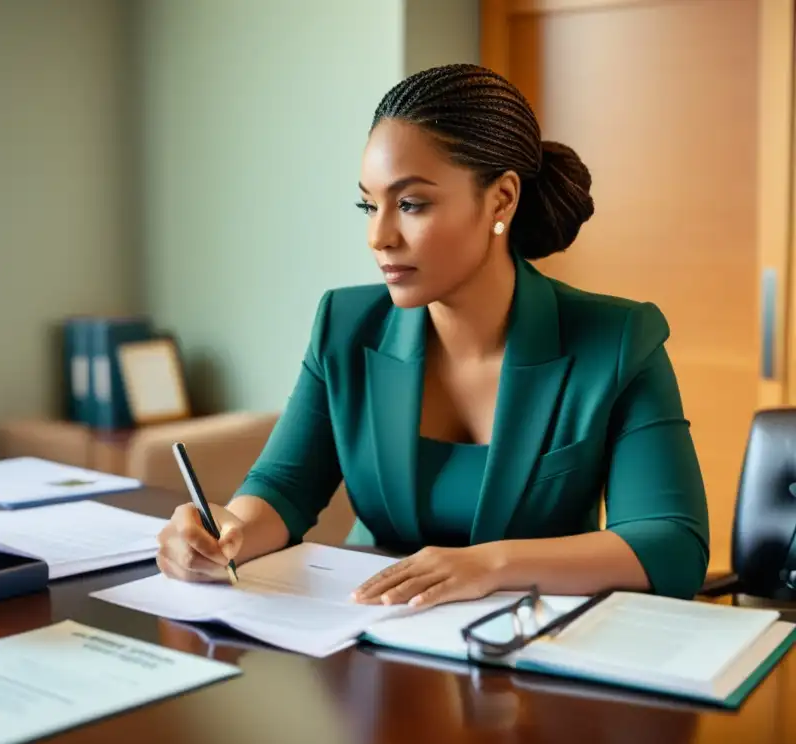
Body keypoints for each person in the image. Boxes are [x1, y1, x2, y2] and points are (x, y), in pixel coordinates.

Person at [156, 63, 710, 607]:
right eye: (368, 205)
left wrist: (491, 565)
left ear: (502, 200)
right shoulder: (345, 326)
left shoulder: (616, 340)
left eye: (411, 204)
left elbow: (671, 543)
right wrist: (224, 532)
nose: (380, 236)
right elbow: (281, 489)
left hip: (525, 657)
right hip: (370, 638)